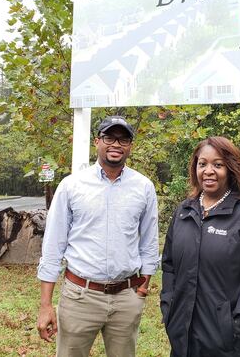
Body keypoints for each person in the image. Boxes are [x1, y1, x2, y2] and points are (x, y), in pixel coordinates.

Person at [37, 116, 158, 357]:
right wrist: (45, 305)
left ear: (130, 146)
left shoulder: (144, 187)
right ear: (97, 142)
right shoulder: (72, 186)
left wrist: (142, 288)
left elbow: (149, 242)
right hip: (80, 297)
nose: (116, 144)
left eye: (123, 139)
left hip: (126, 298)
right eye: (109, 137)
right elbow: (52, 247)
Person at [160, 136, 240, 357]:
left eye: (218, 164)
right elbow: (169, 265)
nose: (208, 171)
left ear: (231, 168)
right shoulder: (184, 212)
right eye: (202, 163)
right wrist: (169, 307)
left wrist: (234, 324)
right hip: (184, 336)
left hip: (229, 343)